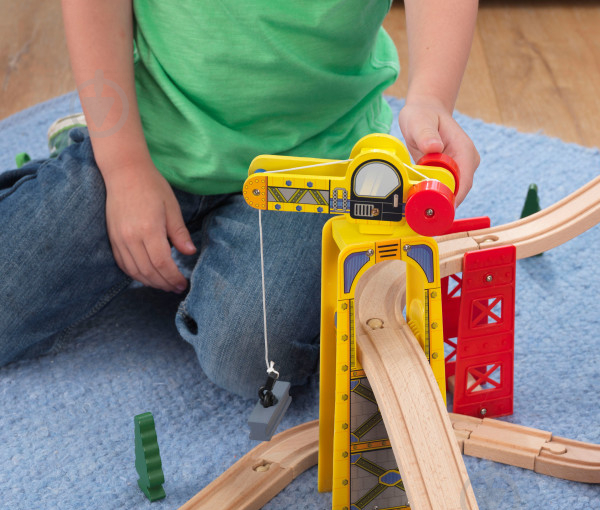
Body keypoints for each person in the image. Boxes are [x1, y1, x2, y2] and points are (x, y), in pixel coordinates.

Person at [0, 0, 479, 398]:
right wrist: (122, 164)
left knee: (252, 364)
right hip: (144, 146)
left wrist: (432, 98)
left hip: (312, 162)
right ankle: (93, 147)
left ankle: (202, 254)